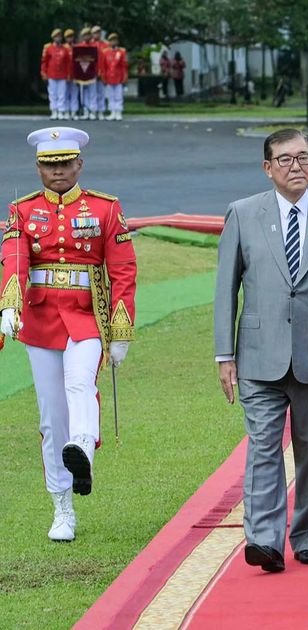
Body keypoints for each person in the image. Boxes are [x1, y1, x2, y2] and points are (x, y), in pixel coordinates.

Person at [213, 128, 308, 572]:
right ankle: (264, 539)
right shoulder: (242, 214)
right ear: (268, 168)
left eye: (303, 157)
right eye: (285, 159)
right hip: (259, 356)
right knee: (263, 447)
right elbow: (226, 289)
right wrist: (225, 355)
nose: (295, 166)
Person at [1, 127, 137, 541]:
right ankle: (63, 508)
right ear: (38, 167)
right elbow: (14, 257)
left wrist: (121, 328)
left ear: (79, 164)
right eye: (49, 164)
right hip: (41, 321)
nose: (57, 172)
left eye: (65, 164)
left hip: (87, 316)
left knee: (80, 384)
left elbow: (123, 269)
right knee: (49, 417)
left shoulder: (105, 209)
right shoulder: (21, 211)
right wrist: (10, 303)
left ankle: (82, 448)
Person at [42, 29, 72, 120]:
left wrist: (68, 74)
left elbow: (68, 63)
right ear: (53, 38)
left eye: (59, 36)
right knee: (53, 93)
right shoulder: (49, 48)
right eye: (56, 36)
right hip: (52, 74)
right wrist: (44, 73)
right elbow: (44, 62)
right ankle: (54, 111)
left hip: (62, 74)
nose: (58, 38)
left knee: (62, 94)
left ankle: (61, 111)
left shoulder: (65, 49)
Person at [98, 33, 127, 121]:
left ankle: (118, 112)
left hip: (118, 77)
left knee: (118, 95)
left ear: (117, 41)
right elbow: (103, 66)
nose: (113, 42)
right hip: (109, 77)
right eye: (111, 40)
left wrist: (125, 77)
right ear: (109, 42)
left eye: (115, 40)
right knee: (110, 96)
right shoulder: (105, 52)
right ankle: (112, 112)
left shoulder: (121, 52)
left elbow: (124, 66)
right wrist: (103, 77)